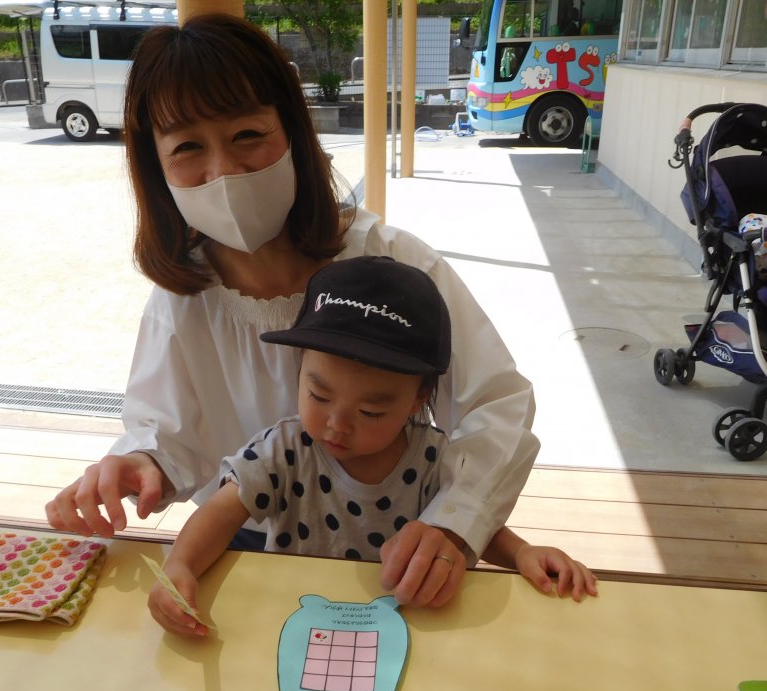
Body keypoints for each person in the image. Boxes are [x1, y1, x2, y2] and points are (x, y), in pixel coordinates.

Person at [44, 13, 541, 609]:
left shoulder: (392, 262)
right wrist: (138, 462)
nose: (224, 172)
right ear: (156, 167)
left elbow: (495, 401)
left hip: (389, 549)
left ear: (293, 131)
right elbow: (167, 431)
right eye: (187, 147)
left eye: (248, 135)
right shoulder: (182, 299)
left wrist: (456, 520)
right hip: (240, 549)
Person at [149, 257, 597, 637]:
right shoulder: (282, 450)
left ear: (419, 399)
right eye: (318, 395)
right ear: (299, 369)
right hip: (294, 619)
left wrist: (521, 553)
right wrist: (180, 565)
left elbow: (470, 524)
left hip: (402, 626)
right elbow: (220, 512)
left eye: (371, 411)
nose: (337, 424)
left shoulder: (432, 458)